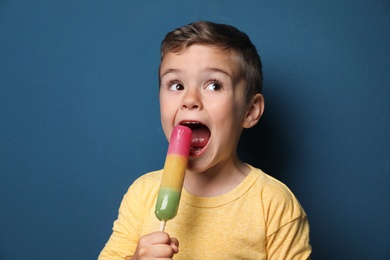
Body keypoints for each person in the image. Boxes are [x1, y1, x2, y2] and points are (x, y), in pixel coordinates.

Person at [99, 21, 311, 259]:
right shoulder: (142, 194)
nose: (190, 99)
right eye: (176, 85)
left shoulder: (274, 204)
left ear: (250, 110)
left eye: (214, 85)